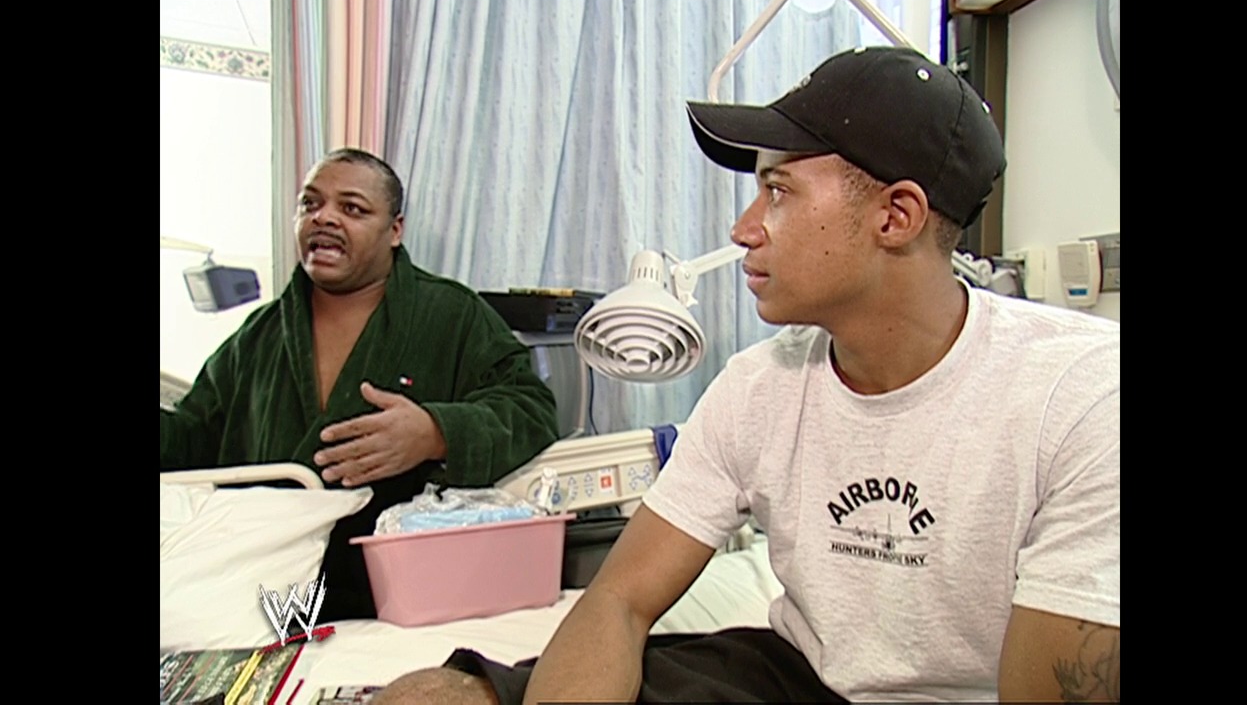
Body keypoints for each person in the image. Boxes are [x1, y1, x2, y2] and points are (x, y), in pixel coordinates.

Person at [375, 46, 1120, 703]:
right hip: (799, 677)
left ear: (896, 217)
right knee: (427, 697)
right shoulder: (759, 385)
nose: (743, 228)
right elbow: (622, 600)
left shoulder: (1081, 394)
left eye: (779, 190)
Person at [160, 148, 561, 623]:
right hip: (265, 598)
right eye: (310, 204)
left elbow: (531, 407)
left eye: (351, 208)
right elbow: (188, 441)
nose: (324, 218)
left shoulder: (449, 316)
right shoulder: (260, 336)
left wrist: (435, 432)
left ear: (395, 230)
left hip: (399, 600)